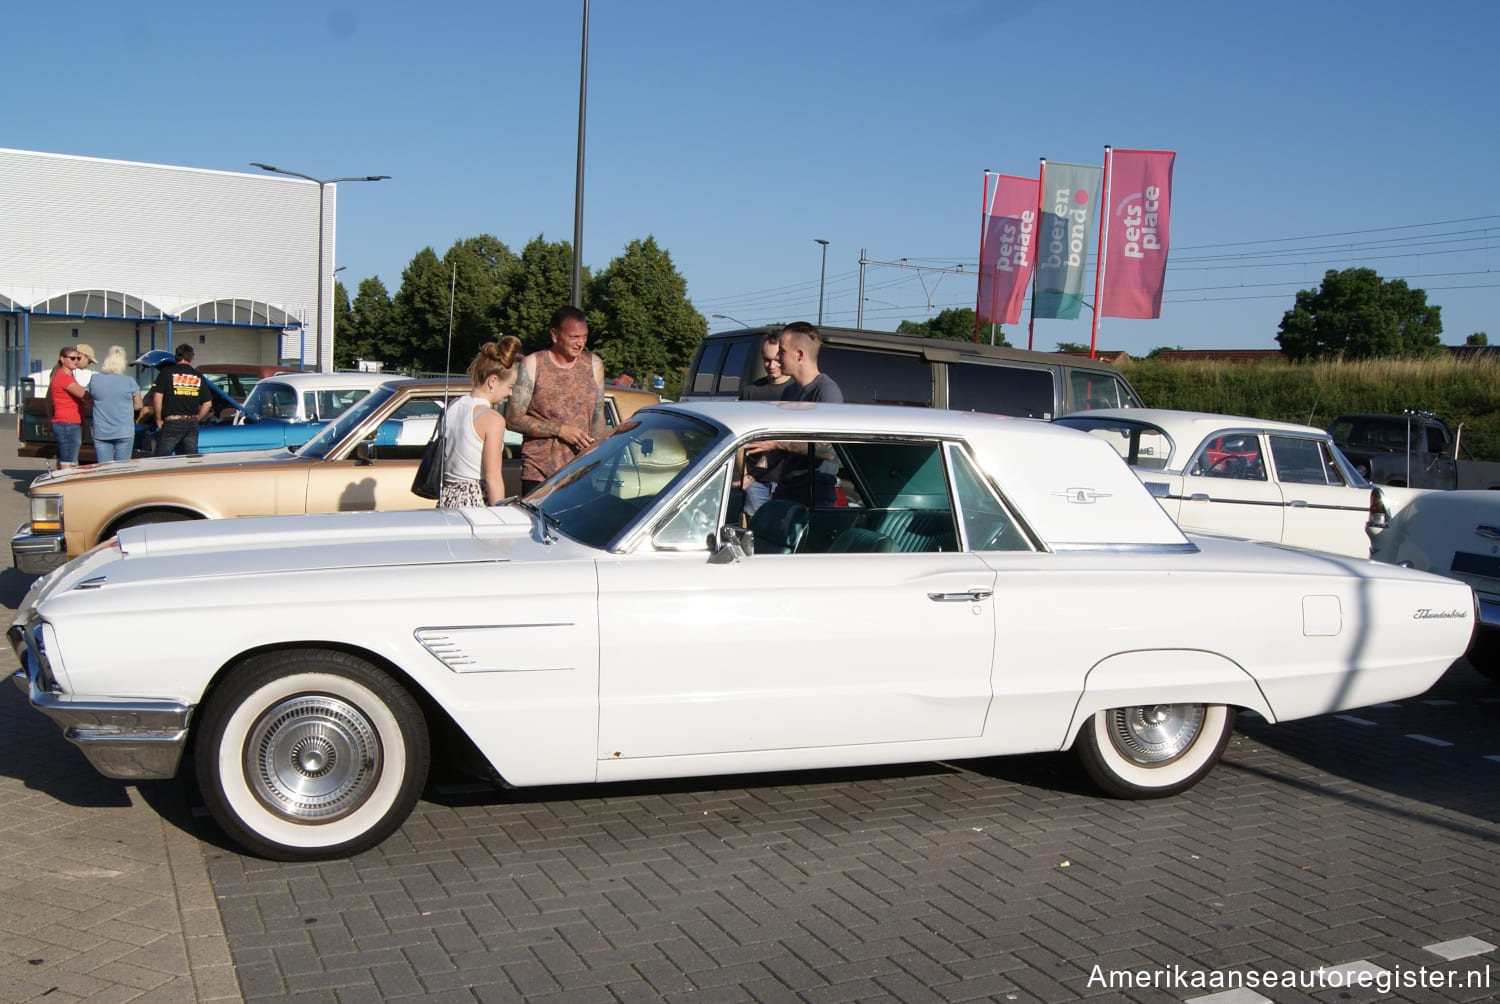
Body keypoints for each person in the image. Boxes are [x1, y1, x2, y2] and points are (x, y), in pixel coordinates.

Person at [507, 305, 607, 496]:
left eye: (584, 336)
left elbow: (598, 414)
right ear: (555, 335)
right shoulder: (533, 364)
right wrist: (561, 430)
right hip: (540, 473)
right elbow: (513, 419)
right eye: (574, 337)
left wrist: (597, 454)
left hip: (581, 471)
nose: (581, 343)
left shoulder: (594, 364)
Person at [439, 337, 523, 508]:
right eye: (510, 386)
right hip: (475, 500)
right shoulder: (492, 419)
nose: (510, 393)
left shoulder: (453, 405)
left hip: (446, 498)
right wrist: (500, 515)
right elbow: (493, 479)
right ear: (492, 381)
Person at [738, 331, 795, 516]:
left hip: (787, 480)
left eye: (777, 360)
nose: (771, 366)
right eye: (766, 360)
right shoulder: (751, 393)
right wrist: (744, 474)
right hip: (756, 481)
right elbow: (738, 439)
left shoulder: (798, 392)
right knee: (756, 531)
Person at [151, 344, 213, 457]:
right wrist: (197, 418)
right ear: (192, 358)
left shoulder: (166, 372)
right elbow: (208, 404)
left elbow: (157, 398)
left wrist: (158, 419)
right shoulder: (198, 376)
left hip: (172, 421)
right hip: (192, 423)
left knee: (160, 461)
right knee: (191, 460)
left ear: (177, 357)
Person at [86, 345, 143, 463]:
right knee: (122, 469)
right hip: (124, 430)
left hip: (101, 430)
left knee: (103, 468)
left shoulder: (95, 379)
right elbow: (138, 405)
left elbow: (89, 400)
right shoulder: (129, 381)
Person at [776, 321, 843, 402]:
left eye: (782, 351)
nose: (777, 356)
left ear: (800, 355)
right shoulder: (789, 392)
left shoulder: (826, 392)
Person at [47, 345, 88, 468]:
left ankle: (57, 485)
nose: (76, 361)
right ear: (62, 359)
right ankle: (64, 485)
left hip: (68, 422)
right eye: (72, 358)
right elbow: (84, 394)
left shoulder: (66, 376)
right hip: (67, 423)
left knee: (63, 460)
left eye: (78, 358)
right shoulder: (63, 378)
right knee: (68, 463)